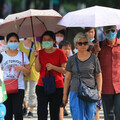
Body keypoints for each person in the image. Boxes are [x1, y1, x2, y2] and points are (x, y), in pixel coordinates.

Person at [63, 32, 102, 120]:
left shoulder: (94, 58)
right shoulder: (72, 59)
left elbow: (99, 75)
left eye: (85, 43)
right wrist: (65, 94)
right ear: (76, 45)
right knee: (77, 117)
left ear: (88, 44)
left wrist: (99, 91)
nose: (82, 45)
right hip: (75, 91)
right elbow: (68, 78)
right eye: (80, 43)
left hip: (91, 92)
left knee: (90, 116)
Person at [34, 31, 67, 120]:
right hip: (42, 85)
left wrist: (53, 67)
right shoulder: (39, 53)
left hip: (57, 86)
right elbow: (37, 69)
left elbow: (65, 70)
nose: (46, 42)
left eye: (49, 40)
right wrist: (36, 57)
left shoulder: (60, 52)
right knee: (41, 112)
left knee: (55, 113)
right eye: (44, 40)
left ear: (53, 41)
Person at [1, 32, 30, 120]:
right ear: (7, 42)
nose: (13, 43)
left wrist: (22, 68)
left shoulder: (22, 55)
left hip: (19, 87)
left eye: (15, 41)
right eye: (11, 41)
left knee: (18, 112)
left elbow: (28, 72)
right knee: (7, 112)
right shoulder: (2, 55)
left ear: (18, 42)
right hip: (5, 87)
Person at [98, 25, 120, 120]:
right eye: (107, 31)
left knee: (118, 111)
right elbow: (92, 64)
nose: (110, 33)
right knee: (109, 114)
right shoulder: (99, 46)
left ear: (116, 31)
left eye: (112, 31)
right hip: (105, 86)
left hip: (119, 86)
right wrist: (95, 52)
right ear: (104, 33)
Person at [19, 37, 41, 117]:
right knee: (22, 91)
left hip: (34, 70)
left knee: (33, 92)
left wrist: (35, 43)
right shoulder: (20, 44)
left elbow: (40, 55)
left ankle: (31, 110)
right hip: (23, 70)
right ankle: (25, 105)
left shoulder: (37, 44)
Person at [84, 27, 102, 120]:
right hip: (85, 81)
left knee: (96, 108)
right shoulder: (82, 46)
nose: (91, 34)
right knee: (86, 108)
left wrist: (97, 52)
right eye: (88, 32)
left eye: (92, 32)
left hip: (96, 80)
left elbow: (98, 65)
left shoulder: (98, 45)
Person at [59, 40, 72, 120]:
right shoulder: (58, 58)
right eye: (65, 49)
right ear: (60, 49)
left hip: (70, 82)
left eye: (69, 49)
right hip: (60, 82)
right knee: (61, 101)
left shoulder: (71, 59)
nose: (67, 51)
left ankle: (64, 111)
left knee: (65, 100)